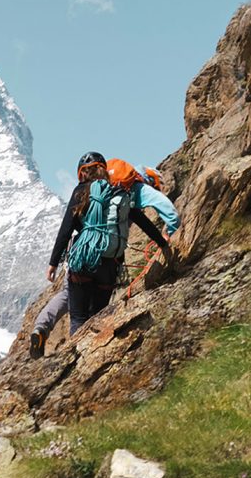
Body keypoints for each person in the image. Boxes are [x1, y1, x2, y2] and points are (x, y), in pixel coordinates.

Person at [29, 152, 179, 358]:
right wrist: (163, 244)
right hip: (109, 265)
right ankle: (90, 355)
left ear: (82, 174)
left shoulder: (81, 191)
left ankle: (72, 360)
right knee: (96, 317)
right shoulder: (121, 192)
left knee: (78, 318)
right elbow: (141, 220)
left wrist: (53, 263)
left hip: (83, 262)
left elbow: (66, 228)